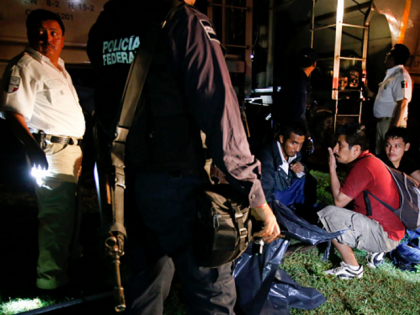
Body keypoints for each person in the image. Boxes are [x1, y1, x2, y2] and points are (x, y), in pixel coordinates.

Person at [87, 1, 280, 314]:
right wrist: (255, 197)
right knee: (210, 295)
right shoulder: (184, 22)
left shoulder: (107, 24)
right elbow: (221, 114)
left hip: (127, 186)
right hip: (179, 189)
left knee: (143, 288)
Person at [0, 10, 85, 290]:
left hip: (71, 153)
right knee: (55, 218)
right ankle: (50, 283)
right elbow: (12, 113)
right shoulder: (24, 66)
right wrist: (34, 150)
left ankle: (67, 275)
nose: (46, 38)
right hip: (50, 151)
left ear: (62, 38)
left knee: (70, 217)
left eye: (52, 32)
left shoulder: (58, 66)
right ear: (29, 34)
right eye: (40, 31)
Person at [317, 123, 405, 279]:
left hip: (384, 235)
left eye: (340, 145)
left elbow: (339, 201)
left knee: (328, 214)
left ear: (356, 149)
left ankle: (352, 267)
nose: (336, 149)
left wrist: (332, 167)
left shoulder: (364, 167)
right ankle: (375, 251)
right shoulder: (370, 161)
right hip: (390, 231)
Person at [258, 120, 317, 218]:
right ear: (281, 139)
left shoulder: (294, 152)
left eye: (301, 144)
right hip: (274, 198)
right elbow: (265, 191)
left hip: (286, 191)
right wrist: (268, 217)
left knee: (309, 181)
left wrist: (301, 168)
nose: (297, 149)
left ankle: (306, 216)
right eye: (294, 143)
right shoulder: (266, 157)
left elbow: (303, 169)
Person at [373, 44, 412, 154]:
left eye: (388, 54)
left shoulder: (400, 76)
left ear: (393, 58)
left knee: (390, 156)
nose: (386, 57)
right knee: (381, 155)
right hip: (383, 123)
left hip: (391, 122)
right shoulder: (392, 75)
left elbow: (402, 103)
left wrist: (394, 129)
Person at [272, 47, 318, 126]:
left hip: (282, 122)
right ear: (314, 64)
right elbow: (299, 109)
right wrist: (302, 128)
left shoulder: (290, 76)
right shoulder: (301, 82)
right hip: (292, 126)